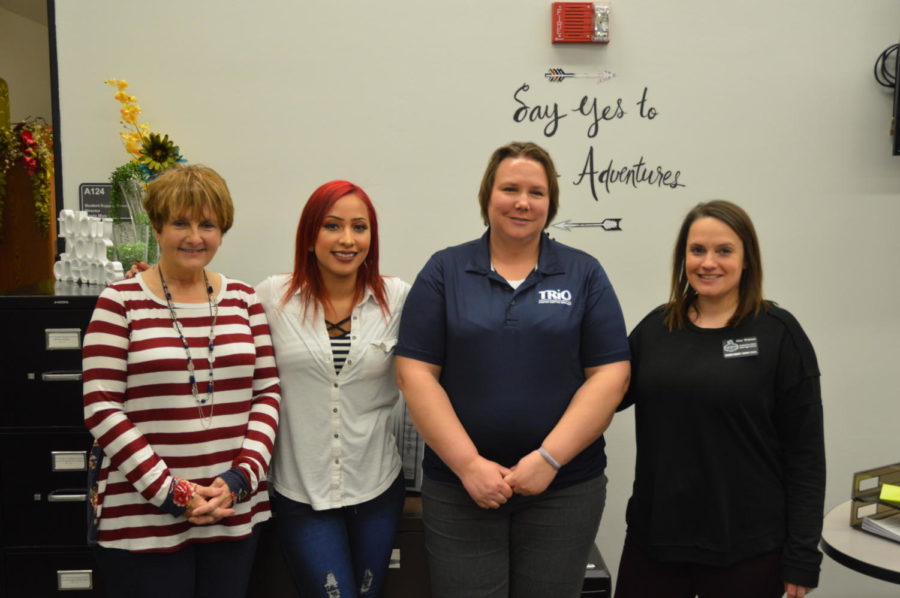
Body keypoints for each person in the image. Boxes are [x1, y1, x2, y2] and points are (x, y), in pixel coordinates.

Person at [395, 141, 631, 598]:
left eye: (536, 192)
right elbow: (415, 374)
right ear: (487, 196)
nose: (523, 202)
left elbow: (610, 376)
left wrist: (548, 460)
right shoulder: (445, 270)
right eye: (510, 189)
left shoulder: (584, 274)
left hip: (564, 490)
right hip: (461, 490)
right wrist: (468, 466)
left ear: (550, 203)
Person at [82, 165, 281, 598]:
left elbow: (267, 393)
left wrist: (238, 480)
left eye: (207, 224)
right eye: (180, 223)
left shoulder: (244, 300)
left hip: (232, 509)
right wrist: (173, 492)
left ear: (222, 230)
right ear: (157, 226)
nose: (195, 237)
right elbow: (101, 408)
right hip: (142, 520)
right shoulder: (119, 303)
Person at [614, 200, 825, 598]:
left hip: (747, 549)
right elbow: (599, 397)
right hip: (655, 542)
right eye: (697, 251)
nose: (708, 263)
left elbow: (806, 455)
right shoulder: (656, 329)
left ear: (747, 260)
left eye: (724, 251)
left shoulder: (779, 334)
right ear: (683, 258)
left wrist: (801, 556)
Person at [255, 180, 409, 598]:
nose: (347, 239)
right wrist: (160, 279)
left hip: (376, 485)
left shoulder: (398, 299)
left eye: (359, 227)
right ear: (309, 236)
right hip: (303, 492)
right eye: (332, 226)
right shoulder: (273, 298)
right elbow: (212, 309)